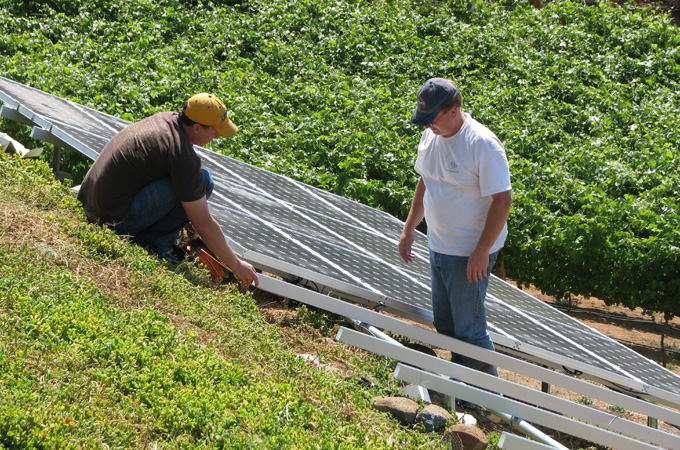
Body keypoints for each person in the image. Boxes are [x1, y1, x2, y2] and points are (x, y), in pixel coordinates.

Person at [77, 93, 259, 289]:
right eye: (216, 130)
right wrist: (236, 265)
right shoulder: (181, 156)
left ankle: (153, 239)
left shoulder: (166, 119)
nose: (218, 135)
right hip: (111, 220)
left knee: (194, 183)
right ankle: (155, 246)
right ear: (197, 128)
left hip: (92, 203)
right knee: (203, 182)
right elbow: (203, 223)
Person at [398, 78, 512, 376]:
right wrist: (410, 227)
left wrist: (482, 251)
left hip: (468, 254)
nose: (427, 127)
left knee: (470, 329)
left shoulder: (482, 145)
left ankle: (490, 398)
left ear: (453, 110)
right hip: (438, 246)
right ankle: (462, 386)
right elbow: (426, 179)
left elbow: (502, 200)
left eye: (431, 119)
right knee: (446, 324)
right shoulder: (430, 136)